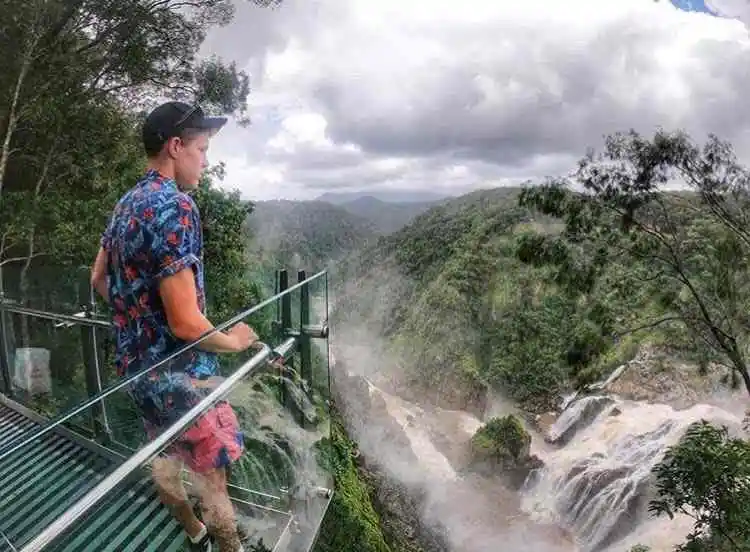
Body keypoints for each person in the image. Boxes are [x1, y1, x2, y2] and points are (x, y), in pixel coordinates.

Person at [90, 101, 257, 552]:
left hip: (139, 375)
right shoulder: (175, 207)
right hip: (185, 378)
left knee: (165, 461)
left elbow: (99, 280)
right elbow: (185, 323)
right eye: (201, 149)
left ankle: (194, 533)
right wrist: (235, 341)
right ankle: (228, 547)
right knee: (213, 481)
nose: (205, 159)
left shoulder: (125, 206)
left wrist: (141, 319)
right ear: (175, 146)